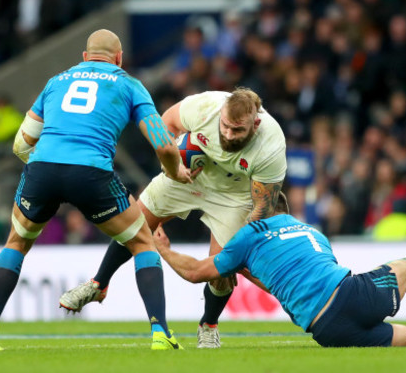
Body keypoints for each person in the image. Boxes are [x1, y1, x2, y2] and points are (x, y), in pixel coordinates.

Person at [0, 29, 192, 352]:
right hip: (91, 173)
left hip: (42, 169)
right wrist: (176, 173)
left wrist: (45, 169)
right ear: (119, 59)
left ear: (85, 57)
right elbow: (165, 147)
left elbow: (21, 143)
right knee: (143, 241)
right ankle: (160, 334)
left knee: (16, 242)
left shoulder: (56, 82)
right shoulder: (130, 84)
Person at [154, 192, 406, 348]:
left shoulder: (249, 234)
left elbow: (198, 271)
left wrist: (163, 251)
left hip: (325, 329)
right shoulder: (311, 233)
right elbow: (315, 273)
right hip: (346, 295)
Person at [59, 87, 287, 348]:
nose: (228, 134)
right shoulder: (205, 107)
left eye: (237, 131)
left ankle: (208, 325)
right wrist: (172, 167)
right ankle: (99, 283)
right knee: (134, 224)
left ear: (255, 124)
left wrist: (238, 253)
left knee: (220, 269)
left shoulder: (271, 143)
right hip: (188, 177)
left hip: (235, 196)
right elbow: (163, 125)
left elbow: (261, 209)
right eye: (225, 126)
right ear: (221, 113)